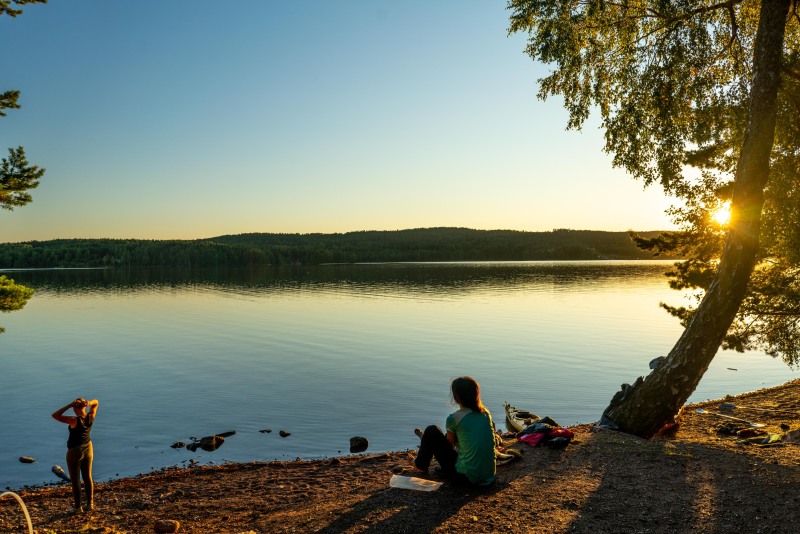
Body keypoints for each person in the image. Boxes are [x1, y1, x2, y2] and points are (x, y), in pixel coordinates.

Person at [413, 376, 496, 486]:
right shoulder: (486, 413)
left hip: (466, 479)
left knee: (432, 430)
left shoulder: (454, 418)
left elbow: (450, 445)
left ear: (456, 397)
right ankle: (443, 469)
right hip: (489, 476)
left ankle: (420, 465)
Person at [52, 397, 99, 513]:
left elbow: (55, 415)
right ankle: (90, 504)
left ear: (75, 408)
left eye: (73, 407)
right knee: (87, 477)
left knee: (75, 480)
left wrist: (69, 405)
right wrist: (90, 403)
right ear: (85, 407)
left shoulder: (74, 420)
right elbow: (96, 402)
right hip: (88, 448)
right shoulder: (90, 416)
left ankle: (78, 507)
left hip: (75, 451)